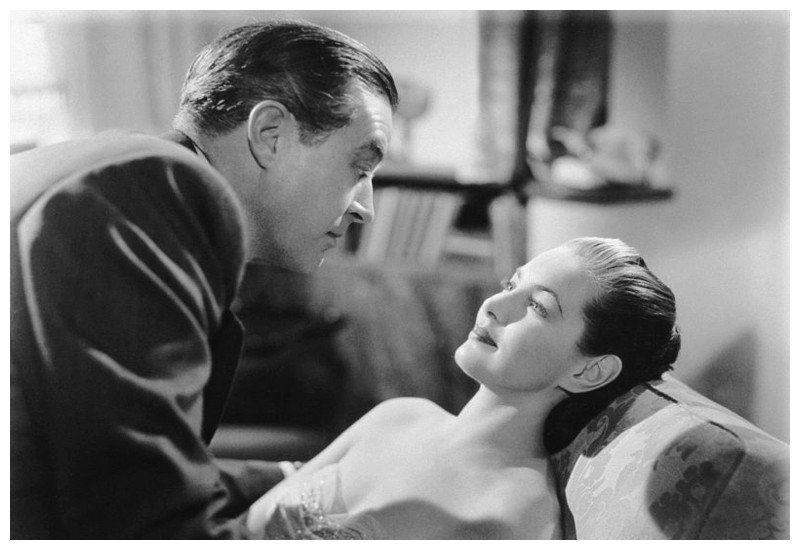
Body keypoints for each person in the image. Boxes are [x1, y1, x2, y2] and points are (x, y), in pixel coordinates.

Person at [10, 20, 397, 539]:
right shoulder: (154, 188)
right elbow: (149, 525)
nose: (366, 208)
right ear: (271, 134)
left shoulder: (108, 165)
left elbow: (120, 464)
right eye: (360, 167)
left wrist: (302, 478)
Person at [245, 237, 681, 539]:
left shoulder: (516, 516)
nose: (494, 305)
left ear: (590, 371)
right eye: (511, 285)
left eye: (536, 306)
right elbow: (243, 526)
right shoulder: (400, 415)